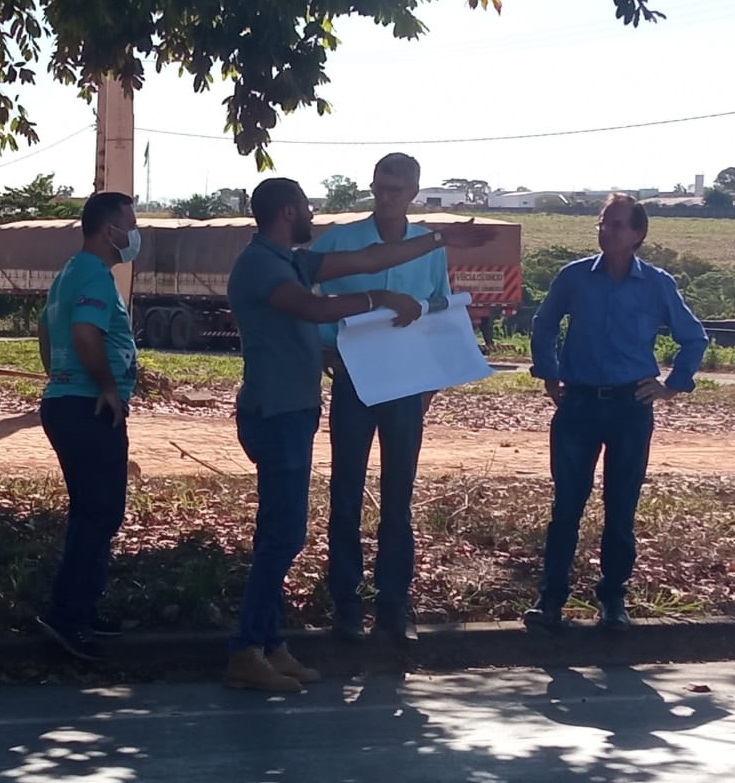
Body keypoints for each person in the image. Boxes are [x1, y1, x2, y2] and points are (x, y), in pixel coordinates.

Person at [225, 177, 494, 692]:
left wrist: (439, 239)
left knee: (281, 532)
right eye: (305, 206)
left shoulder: (290, 260)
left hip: (293, 410)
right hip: (275, 412)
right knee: (282, 536)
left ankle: (270, 643)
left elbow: (370, 258)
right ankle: (246, 649)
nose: (312, 214)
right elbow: (314, 309)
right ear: (287, 212)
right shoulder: (262, 265)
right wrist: (380, 299)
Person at [524, 193, 708, 633]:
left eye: (617, 224)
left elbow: (694, 337)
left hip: (631, 407)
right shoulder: (574, 277)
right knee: (566, 506)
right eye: (603, 222)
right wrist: (549, 373)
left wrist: (672, 385)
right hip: (578, 404)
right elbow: (544, 324)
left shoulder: (658, 284)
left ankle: (612, 600)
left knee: (621, 507)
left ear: (638, 234)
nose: (606, 230)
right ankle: (550, 600)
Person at [311, 153, 450, 643]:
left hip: (407, 382)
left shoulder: (429, 248)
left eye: (395, 189)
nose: (386, 197)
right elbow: (306, 292)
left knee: (398, 496)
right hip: (354, 378)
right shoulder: (341, 241)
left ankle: (393, 605)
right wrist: (325, 343)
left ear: (413, 192)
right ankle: (346, 605)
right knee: (345, 491)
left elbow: (439, 307)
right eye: (379, 188)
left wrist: (432, 381)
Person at [36, 191, 140, 661]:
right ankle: (68, 617)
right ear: (108, 230)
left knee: (90, 513)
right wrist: (106, 387)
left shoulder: (69, 273)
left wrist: (59, 376)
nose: (134, 234)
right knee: (100, 513)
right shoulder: (95, 275)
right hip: (89, 408)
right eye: (130, 224)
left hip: (67, 402)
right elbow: (83, 332)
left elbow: (46, 331)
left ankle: (80, 609)